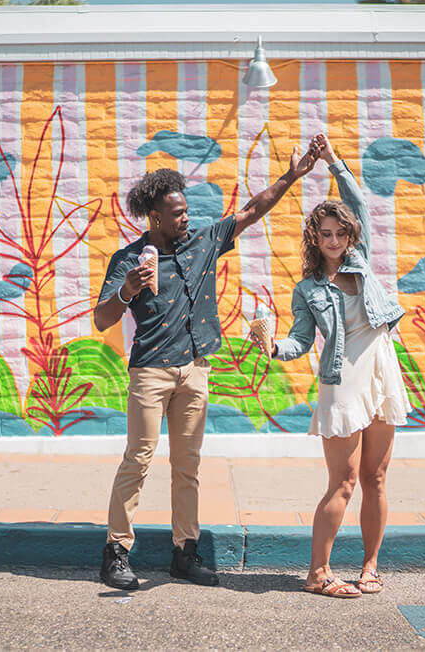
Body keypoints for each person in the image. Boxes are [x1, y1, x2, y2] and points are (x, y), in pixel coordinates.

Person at [94, 136, 323, 590]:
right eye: (177, 212)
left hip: (195, 369)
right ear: (155, 217)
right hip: (150, 372)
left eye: (186, 209)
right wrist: (128, 291)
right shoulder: (128, 260)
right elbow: (103, 318)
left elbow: (253, 210)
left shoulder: (203, 241)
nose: (186, 217)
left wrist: (292, 176)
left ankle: (185, 553)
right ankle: (116, 552)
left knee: (188, 465)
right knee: (137, 459)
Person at [253, 133, 411, 598]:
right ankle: (317, 574)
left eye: (341, 233)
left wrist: (331, 161)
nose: (336, 240)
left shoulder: (361, 261)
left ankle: (370, 567)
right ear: (315, 239)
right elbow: (301, 341)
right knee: (342, 482)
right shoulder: (308, 290)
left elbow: (357, 200)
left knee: (376, 478)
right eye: (327, 234)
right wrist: (272, 347)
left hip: (382, 370)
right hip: (343, 380)